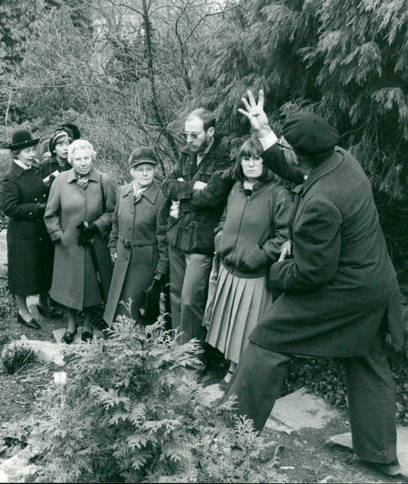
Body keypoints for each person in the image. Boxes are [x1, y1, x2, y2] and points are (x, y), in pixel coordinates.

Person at [225, 90, 403, 477]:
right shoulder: (342, 160)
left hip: (346, 288)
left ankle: (229, 441)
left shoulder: (321, 202)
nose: (284, 152)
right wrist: (267, 131)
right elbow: (297, 169)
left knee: (266, 339)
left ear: (303, 155)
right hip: (376, 283)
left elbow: (312, 274)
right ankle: (381, 455)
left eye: (287, 147)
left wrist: (274, 271)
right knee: (367, 358)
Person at [205, 137, 292, 383]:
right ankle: (230, 369)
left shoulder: (278, 194)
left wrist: (258, 256)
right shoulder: (235, 189)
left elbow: (283, 237)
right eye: (246, 158)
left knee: (246, 327)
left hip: (254, 275)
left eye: (257, 159)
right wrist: (220, 241)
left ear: (267, 163)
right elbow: (223, 220)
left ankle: (240, 375)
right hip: (228, 268)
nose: (251, 164)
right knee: (229, 324)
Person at [161, 108, 233, 374]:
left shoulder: (223, 160)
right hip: (178, 236)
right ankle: (180, 353)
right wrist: (193, 188)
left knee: (192, 301)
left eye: (194, 135)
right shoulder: (186, 154)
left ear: (210, 132)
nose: (188, 140)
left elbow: (213, 197)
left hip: (201, 243)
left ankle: (195, 361)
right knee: (177, 298)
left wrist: (184, 191)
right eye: (186, 135)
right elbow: (167, 185)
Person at [44, 139, 116, 343]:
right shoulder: (60, 181)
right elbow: (50, 214)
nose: (83, 163)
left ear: (92, 157)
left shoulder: (104, 180)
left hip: (94, 243)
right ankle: (71, 323)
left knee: (92, 286)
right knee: (69, 286)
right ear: (71, 160)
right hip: (68, 246)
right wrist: (59, 236)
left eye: (86, 158)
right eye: (78, 159)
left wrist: (96, 227)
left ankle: (87, 324)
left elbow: (112, 213)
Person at [0, 129, 63, 329]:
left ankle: (43, 303)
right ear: (16, 154)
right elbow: (10, 207)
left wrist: (47, 184)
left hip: (39, 232)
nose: (32, 154)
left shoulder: (33, 170)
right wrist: (39, 209)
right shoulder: (11, 177)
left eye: (33, 149)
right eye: (27, 151)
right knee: (23, 273)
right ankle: (23, 311)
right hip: (22, 234)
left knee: (44, 268)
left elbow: (35, 191)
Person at [103, 147, 167, 327]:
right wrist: (113, 245)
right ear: (131, 171)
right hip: (122, 258)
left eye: (149, 169)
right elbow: (115, 222)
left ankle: (133, 346)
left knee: (135, 308)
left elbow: (163, 237)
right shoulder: (123, 191)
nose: (145, 174)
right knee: (116, 301)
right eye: (140, 169)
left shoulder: (162, 198)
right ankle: (116, 338)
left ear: (155, 170)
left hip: (145, 262)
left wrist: (161, 269)